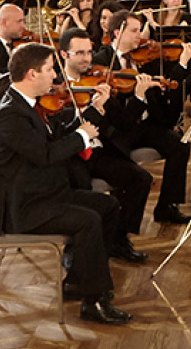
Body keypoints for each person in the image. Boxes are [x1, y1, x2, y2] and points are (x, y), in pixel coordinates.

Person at [0, 42, 132, 324]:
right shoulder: (10, 115)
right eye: (49, 69)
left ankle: (79, 281)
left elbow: (58, 140)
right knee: (88, 220)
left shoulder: (30, 106)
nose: (55, 76)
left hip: (47, 194)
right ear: (31, 74)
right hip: (27, 208)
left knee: (107, 205)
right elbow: (44, 155)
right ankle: (94, 301)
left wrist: (94, 109)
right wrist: (81, 136)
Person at [51, 29, 152, 257]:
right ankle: (74, 249)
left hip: (98, 153)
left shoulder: (100, 81)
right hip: (70, 155)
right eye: (80, 53)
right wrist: (91, 109)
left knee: (140, 179)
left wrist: (138, 95)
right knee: (83, 189)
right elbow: (61, 132)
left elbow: (124, 123)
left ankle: (119, 238)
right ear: (64, 55)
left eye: (89, 52)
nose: (87, 58)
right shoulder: (53, 87)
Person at [97, 11, 191, 223]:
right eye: (134, 31)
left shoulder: (143, 59)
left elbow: (168, 91)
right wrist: (137, 95)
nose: (139, 36)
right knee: (131, 173)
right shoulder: (102, 61)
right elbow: (116, 117)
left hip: (144, 124)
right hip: (119, 130)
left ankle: (166, 206)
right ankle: (121, 223)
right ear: (117, 33)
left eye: (140, 30)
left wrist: (182, 65)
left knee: (180, 146)